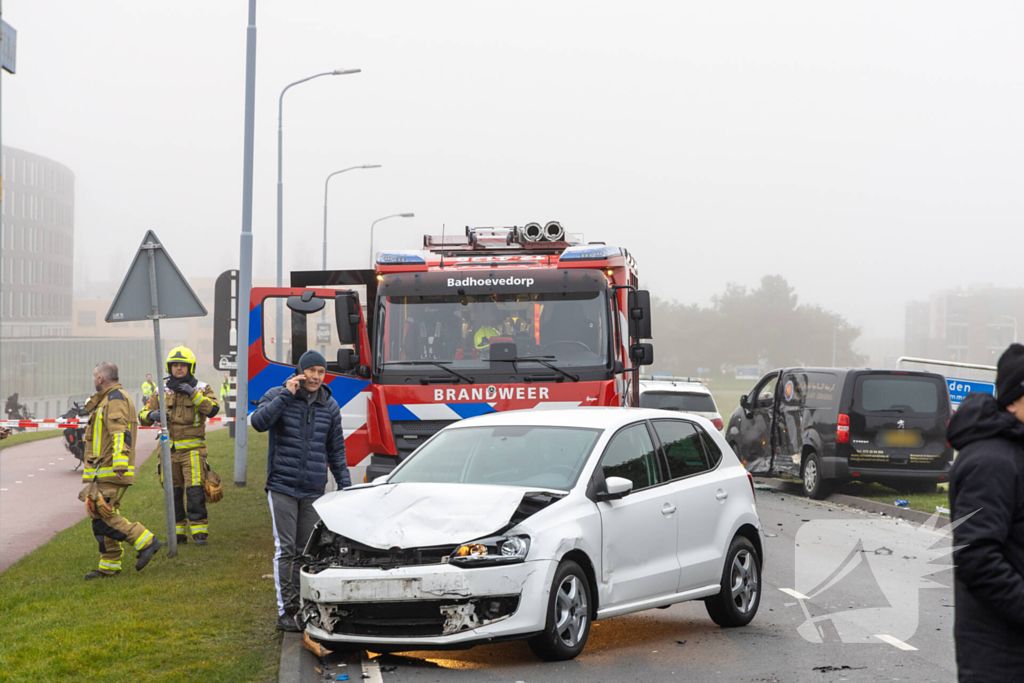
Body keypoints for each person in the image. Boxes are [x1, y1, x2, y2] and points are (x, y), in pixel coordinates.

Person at [251, 349, 350, 632]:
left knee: (307, 552)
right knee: (286, 550)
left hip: (313, 489)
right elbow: (258, 423)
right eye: (311, 371)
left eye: (321, 372)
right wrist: (285, 395)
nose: (316, 377)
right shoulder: (278, 394)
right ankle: (287, 611)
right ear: (300, 372)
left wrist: (346, 488)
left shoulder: (330, 406)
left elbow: (337, 452)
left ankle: (304, 606)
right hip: (282, 486)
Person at [947, 343, 1024, 682]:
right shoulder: (991, 460)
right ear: (1016, 398)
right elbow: (975, 556)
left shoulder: (1012, 453)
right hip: (1000, 657)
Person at [81, 361, 162, 579]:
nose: (93, 378)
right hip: (104, 469)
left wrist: (118, 463)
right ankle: (109, 566)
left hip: (110, 469)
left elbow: (119, 433)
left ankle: (146, 541)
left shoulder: (114, 399)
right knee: (104, 513)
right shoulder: (108, 399)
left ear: (100, 378)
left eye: (94, 375)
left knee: (102, 517)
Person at [139, 346, 219, 546]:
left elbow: (213, 410)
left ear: (190, 367)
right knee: (172, 494)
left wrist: (193, 394)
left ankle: (200, 533)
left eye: (183, 365)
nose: (179, 369)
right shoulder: (161, 390)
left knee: (194, 492)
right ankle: (178, 535)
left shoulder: (202, 388)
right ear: (169, 368)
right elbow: (142, 415)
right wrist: (151, 415)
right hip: (168, 452)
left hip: (193, 451)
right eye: (175, 365)